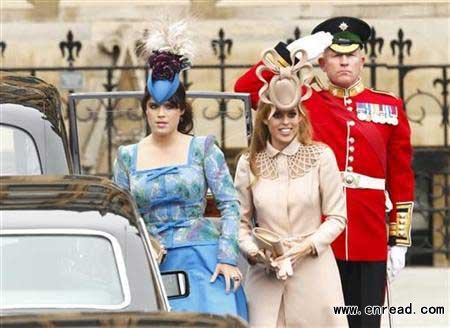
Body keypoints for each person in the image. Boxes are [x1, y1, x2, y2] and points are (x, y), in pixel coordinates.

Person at [235, 16, 415, 328]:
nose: (343, 62)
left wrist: (398, 241)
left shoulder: (388, 107)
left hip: (368, 235)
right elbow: (246, 89)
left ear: (362, 57)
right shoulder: (305, 99)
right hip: (314, 235)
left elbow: (401, 177)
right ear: (322, 59)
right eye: (335, 54)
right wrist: (290, 52)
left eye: (350, 55)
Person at [113, 19, 247, 320]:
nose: (161, 114)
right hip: (151, 259)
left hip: (203, 259)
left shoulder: (202, 149)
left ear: (182, 109)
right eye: (154, 106)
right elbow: (120, 216)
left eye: (169, 106)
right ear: (145, 108)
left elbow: (230, 206)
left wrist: (226, 257)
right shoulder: (127, 156)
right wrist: (144, 243)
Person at [234, 48, 348, 327]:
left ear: (300, 117)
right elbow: (239, 221)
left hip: (315, 271)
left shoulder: (321, 156)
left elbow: (337, 217)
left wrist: (307, 246)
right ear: (265, 119)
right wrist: (254, 252)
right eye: (277, 115)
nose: (285, 122)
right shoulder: (249, 163)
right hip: (265, 276)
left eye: (291, 114)